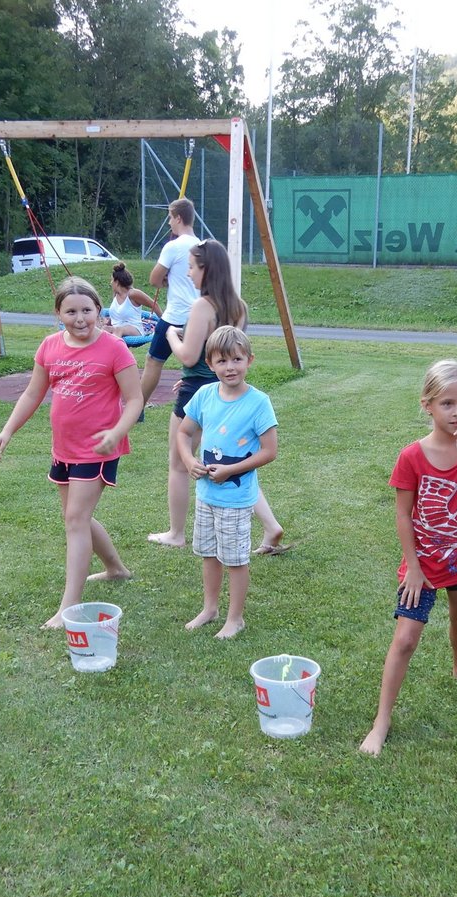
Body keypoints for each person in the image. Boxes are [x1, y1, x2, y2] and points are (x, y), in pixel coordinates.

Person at [360, 360, 457, 757]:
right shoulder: (412, 456)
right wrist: (414, 569)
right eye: (448, 404)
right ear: (428, 405)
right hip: (421, 566)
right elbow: (403, 514)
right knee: (405, 640)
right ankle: (381, 720)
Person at [0, 277, 142, 629]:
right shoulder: (49, 346)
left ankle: (68, 607)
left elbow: (135, 399)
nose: (80, 318)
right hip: (64, 448)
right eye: (71, 311)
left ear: (98, 310)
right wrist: (7, 431)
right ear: (58, 313)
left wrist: (117, 432)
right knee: (76, 518)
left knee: (75, 520)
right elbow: (32, 393)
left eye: (87, 310)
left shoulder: (115, 348)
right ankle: (116, 569)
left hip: (98, 448)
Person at [152, 238, 287, 554]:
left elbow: (190, 356)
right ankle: (270, 525)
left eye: (191, 267)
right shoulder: (239, 307)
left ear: (206, 269)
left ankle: (176, 533)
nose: (188, 273)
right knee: (231, 460)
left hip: (200, 392)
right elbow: (227, 351)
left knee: (178, 462)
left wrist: (171, 335)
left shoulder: (203, 306)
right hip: (223, 390)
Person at [177, 326, 278, 640]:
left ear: (249, 360)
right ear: (210, 364)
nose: (230, 367)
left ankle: (235, 618)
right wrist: (188, 460)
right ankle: (210, 609)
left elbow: (269, 451)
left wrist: (231, 471)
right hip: (206, 495)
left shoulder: (258, 403)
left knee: (235, 559)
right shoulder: (204, 395)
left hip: (235, 499)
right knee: (209, 554)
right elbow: (184, 433)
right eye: (222, 361)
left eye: (237, 359)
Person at [139, 197, 200, 438]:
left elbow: (154, 279)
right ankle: (200, 410)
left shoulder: (173, 247)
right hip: (199, 316)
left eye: (170, 218)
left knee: (154, 361)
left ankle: (138, 408)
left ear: (179, 218)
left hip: (174, 316)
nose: (169, 224)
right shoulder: (203, 245)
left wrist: (166, 280)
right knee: (198, 367)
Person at [104, 262, 161, 339]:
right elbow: (116, 316)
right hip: (116, 328)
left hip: (134, 329)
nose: (110, 283)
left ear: (117, 282)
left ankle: (115, 345)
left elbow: (155, 305)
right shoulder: (116, 295)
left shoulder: (133, 294)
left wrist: (165, 324)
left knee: (118, 329)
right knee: (104, 329)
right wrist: (107, 324)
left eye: (112, 280)